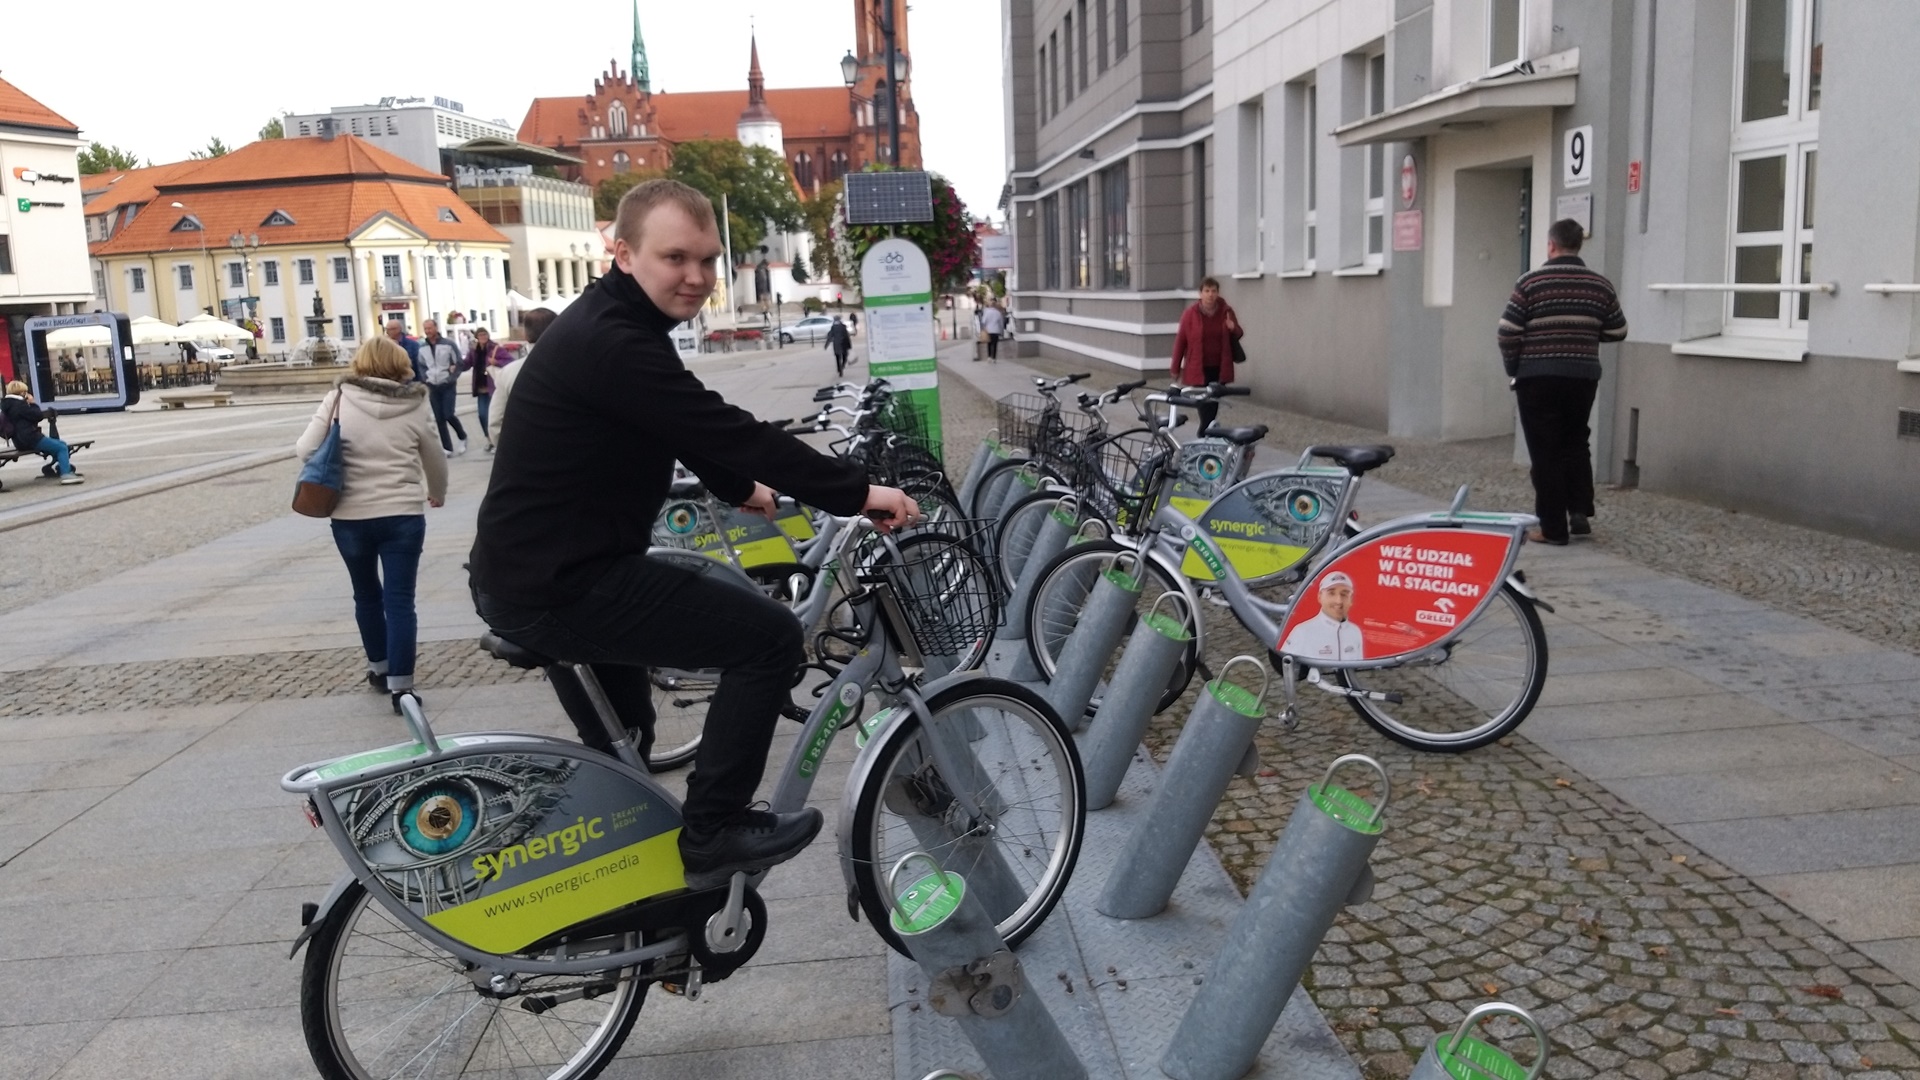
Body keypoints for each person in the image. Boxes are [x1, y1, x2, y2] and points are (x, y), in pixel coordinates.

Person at [468, 178, 921, 888]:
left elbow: (675, 420)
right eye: (675, 256)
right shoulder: (612, 341)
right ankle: (716, 830)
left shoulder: (615, 326)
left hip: (537, 572)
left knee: (627, 750)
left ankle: (622, 899)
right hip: (562, 584)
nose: (697, 276)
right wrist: (860, 493)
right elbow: (718, 424)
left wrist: (738, 487)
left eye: (707, 260)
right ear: (621, 252)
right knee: (768, 640)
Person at [295, 337, 448, 714]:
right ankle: (402, 688)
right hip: (402, 514)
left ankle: (378, 669)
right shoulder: (415, 402)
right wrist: (438, 491)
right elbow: (435, 456)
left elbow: (304, 449)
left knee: (366, 594)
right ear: (401, 364)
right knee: (400, 600)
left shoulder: (339, 399)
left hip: (350, 516)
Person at [1497, 218, 1628, 546]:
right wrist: (1582, 336)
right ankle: (1579, 510)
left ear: (1551, 245)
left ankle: (1553, 528)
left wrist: (1515, 368)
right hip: (1582, 377)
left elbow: (1508, 331)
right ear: (1578, 245)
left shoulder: (1530, 282)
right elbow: (1618, 330)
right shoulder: (1600, 285)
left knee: (1545, 452)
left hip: (1536, 378)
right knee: (1575, 442)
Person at [1170, 276, 1244, 432]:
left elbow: (1238, 333)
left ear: (1218, 293)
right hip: (1198, 367)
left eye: (1214, 291)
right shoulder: (1190, 314)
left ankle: (1207, 432)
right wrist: (1175, 368)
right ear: (1200, 294)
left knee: (1214, 401)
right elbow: (1180, 341)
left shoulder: (1226, 312)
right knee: (1203, 403)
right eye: (1207, 291)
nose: (1210, 294)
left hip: (1219, 367)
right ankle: (1205, 431)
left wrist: (1233, 328)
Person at [491, 306, 555, 441]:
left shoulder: (509, 373)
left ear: (525, 335)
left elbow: (496, 421)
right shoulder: (580, 367)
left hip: (525, 452)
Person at [1, 381, 82, 485]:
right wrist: (33, 403)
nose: (27, 394)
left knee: (61, 444)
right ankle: (66, 474)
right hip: (30, 438)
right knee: (61, 447)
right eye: (25, 392)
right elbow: (37, 415)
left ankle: (62, 467)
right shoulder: (19, 405)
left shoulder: (8, 404)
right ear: (21, 393)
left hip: (20, 440)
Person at [1279, 572, 1365, 662]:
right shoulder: (1302, 632)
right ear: (1320, 596)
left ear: (1351, 600)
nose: (1338, 601)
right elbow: (1287, 667)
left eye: (1344, 594)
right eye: (1331, 593)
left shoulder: (1355, 632)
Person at [418, 318, 469, 457]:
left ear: (436, 328)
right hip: (432, 385)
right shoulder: (422, 347)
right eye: (425, 329)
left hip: (447, 384)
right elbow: (421, 365)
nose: (428, 331)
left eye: (430, 328)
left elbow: (459, 362)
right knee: (439, 418)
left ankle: (462, 436)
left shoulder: (448, 344)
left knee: (448, 414)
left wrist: (451, 378)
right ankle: (447, 448)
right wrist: (425, 379)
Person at [463, 327, 506, 452]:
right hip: (481, 387)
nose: (483, 337)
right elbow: (466, 364)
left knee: (494, 416)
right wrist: (455, 365)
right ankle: (489, 439)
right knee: (482, 415)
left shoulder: (495, 348)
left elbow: (509, 361)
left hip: (493, 387)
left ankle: (496, 441)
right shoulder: (474, 350)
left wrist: (496, 362)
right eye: (480, 334)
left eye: (485, 334)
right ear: (477, 336)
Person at [386, 319, 425, 383]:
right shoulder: (384, 346)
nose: (388, 332)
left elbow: (418, 366)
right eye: (387, 329)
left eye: (391, 329)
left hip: (410, 383)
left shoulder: (413, 345)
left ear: (399, 329)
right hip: (391, 383)